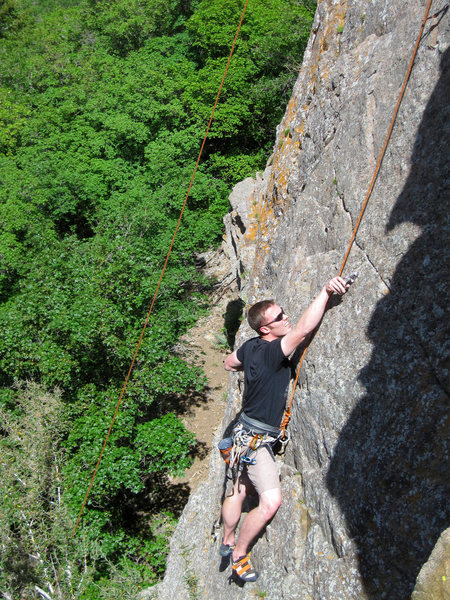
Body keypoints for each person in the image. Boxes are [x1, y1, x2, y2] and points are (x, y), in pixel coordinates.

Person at [221, 276, 350, 582]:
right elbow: (304, 329)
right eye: (280, 317)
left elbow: (228, 363)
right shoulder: (270, 352)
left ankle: (226, 540)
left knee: (238, 490)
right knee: (269, 502)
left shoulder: (251, 346)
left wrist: (246, 367)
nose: (286, 317)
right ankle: (239, 552)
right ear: (266, 329)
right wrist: (325, 291)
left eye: (284, 312)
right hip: (255, 440)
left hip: (240, 434)